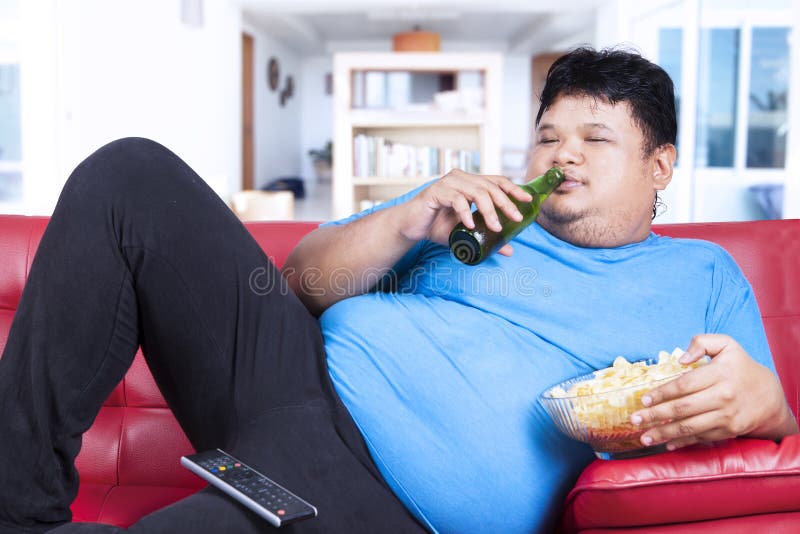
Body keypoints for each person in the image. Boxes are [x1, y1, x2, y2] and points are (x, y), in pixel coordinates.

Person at [0, 46, 795, 534]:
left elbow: (771, 429)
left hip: (375, 505)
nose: (564, 155)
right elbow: (296, 284)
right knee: (128, 173)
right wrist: (408, 219)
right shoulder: (472, 207)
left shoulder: (702, 276)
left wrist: (768, 408)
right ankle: (15, 504)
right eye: (549, 136)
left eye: (596, 138)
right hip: (285, 389)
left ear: (660, 165)